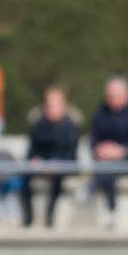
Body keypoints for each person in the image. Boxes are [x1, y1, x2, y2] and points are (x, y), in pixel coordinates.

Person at [20, 87, 81, 228]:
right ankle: (28, 218)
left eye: (56, 105)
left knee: (57, 179)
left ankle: (50, 218)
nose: (52, 109)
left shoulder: (70, 126)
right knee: (23, 178)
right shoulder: (39, 124)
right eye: (49, 105)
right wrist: (36, 160)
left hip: (62, 166)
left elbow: (71, 155)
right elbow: (31, 151)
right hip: (42, 166)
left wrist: (55, 164)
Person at [90, 76, 128, 229]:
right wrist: (100, 150)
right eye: (110, 96)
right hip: (105, 163)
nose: (113, 99)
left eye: (116, 96)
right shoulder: (100, 114)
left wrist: (121, 151)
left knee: (109, 170)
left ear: (127, 95)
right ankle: (110, 213)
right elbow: (93, 141)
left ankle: (92, 188)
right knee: (108, 169)